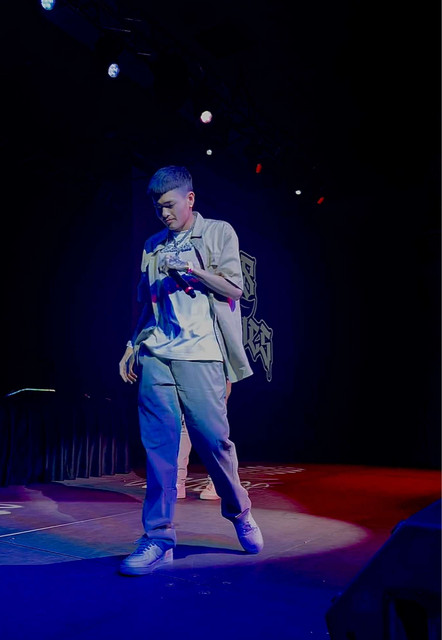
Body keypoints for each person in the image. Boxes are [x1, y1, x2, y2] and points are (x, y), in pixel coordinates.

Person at [118, 165, 263, 576]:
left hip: (203, 354)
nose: (164, 213)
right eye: (158, 208)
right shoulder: (152, 245)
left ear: (190, 199)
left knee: (213, 442)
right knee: (160, 450)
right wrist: (132, 345)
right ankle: (158, 538)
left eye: (170, 205)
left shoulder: (218, 232)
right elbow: (147, 305)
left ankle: (239, 511)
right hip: (158, 354)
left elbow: (235, 289)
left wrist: (194, 270)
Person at [176, 378, 232, 500]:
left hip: (213, 388)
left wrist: (222, 400)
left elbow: (229, 375)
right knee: (185, 429)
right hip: (191, 388)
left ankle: (217, 483)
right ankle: (178, 482)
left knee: (213, 434)